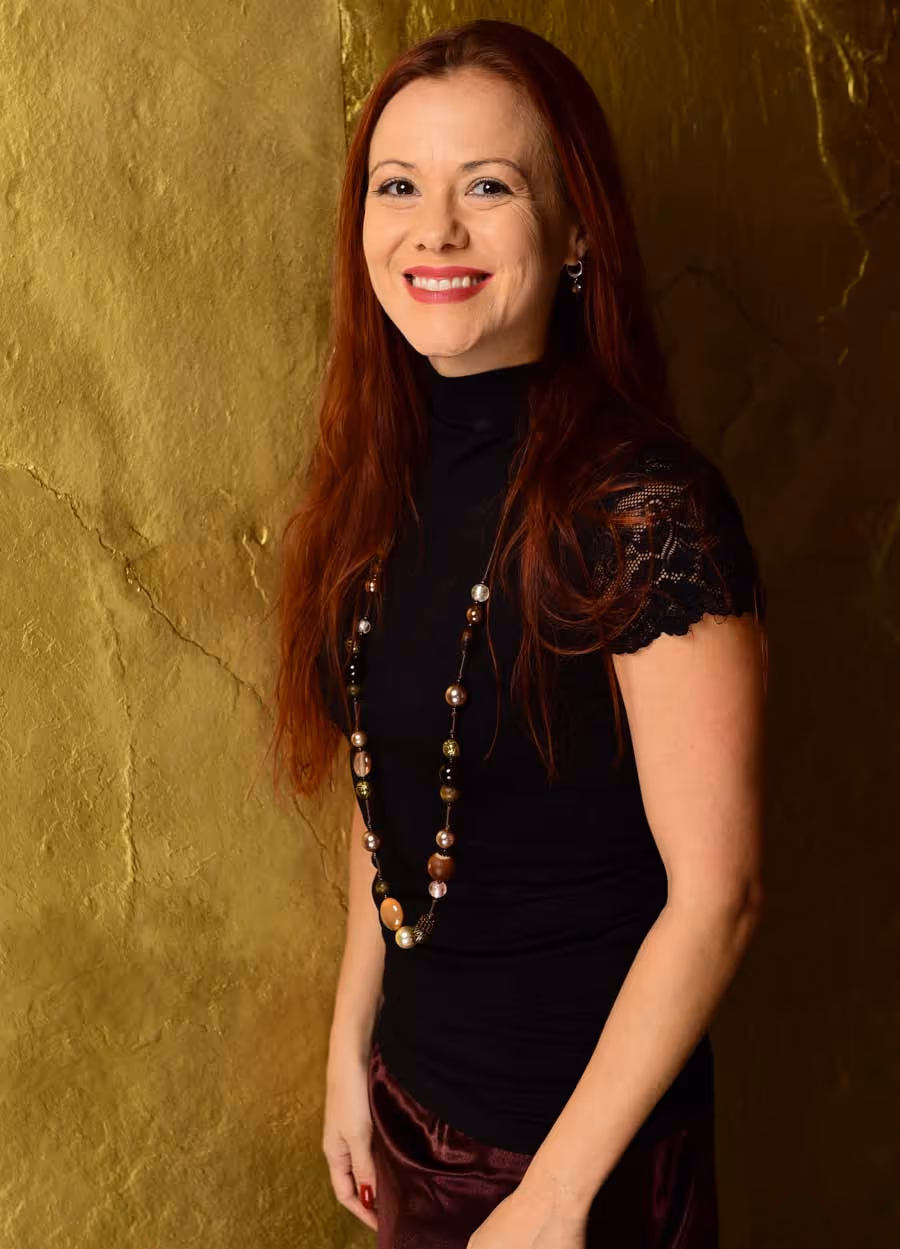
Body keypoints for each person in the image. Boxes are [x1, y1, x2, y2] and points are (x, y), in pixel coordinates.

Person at [270, 18, 768, 1249]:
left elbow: (720, 895)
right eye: (399, 186)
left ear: (578, 230)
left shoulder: (647, 507)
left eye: (487, 186)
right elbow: (389, 791)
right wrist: (350, 1048)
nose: (433, 230)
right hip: (411, 1113)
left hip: (584, 1168)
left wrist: (552, 1199)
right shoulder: (377, 481)